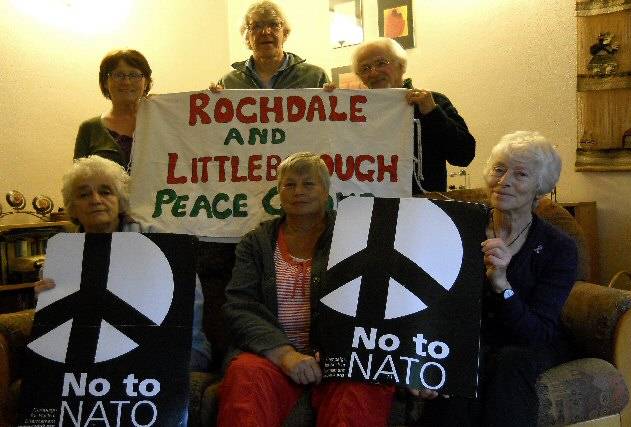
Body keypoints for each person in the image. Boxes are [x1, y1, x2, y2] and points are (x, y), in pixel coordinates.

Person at [217, 152, 395, 426]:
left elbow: (382, 300)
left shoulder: (357, 235)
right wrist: (284, 354)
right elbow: (239, 306)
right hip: (271, 357)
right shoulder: (256, 243)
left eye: (308, 184)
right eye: (289, 184)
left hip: (341, 358)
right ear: (279, 192)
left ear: (326, 192)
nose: (298, 191)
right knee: (245, 374)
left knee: (362, 388)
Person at [414, 131, 578, 426]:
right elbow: (433, 303)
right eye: (499, 169)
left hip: (528, 344)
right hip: (469, 340)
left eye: (521, 174)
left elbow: (537, 333)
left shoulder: (559, 248)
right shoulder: (459, 228)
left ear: (539, 187)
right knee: (463, 365)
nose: (504, 181)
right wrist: (426, 357)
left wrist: (502, 285)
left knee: (509, 362)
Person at [35, 156, 211, 371]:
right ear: (73, 209)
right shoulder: (62, 256)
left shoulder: (158, 240)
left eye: (106, 191)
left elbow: (188, 298)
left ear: (120, 201)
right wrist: (43, 299)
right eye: (84, 194)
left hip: (171, 344)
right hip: (96, 349)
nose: (95, 199)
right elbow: (56, 327)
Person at [351, 37, 475, 194]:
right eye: (365, 68)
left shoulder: (433, 102)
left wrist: (433, 114)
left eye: (381, 63)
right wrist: (329, 100)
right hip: (370, 209)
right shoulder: (354, 112)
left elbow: (464, 155)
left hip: (423, 210)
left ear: (401, 66)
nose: (374, 72)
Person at [214, 1, 328, 89]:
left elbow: (334, 118)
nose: (266, 32)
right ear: (247, 35)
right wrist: (212, 101)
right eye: (256, 26)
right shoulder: (228, 82)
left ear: (285, 32)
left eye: (274, 24)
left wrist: (335, 99)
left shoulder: (315, 77)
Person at [73, 49, 153, 171]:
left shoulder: (162, 123)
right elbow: (78, 180)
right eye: (118, 75)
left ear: (146, 82)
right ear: (105, 82)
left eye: (134, 75)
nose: (126, 82)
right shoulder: (89, 129)